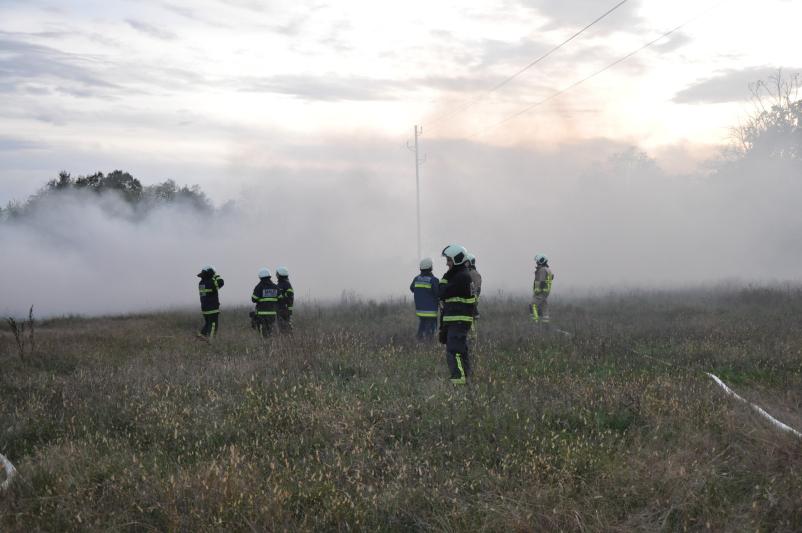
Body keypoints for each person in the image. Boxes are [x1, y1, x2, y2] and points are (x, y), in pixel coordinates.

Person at [439, 244, 475, 385]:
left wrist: (446, 277)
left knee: (454, 350)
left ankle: (458, 380)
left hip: (458, 319)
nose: (447, 263)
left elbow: (441, 292)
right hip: (456, 319)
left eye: (449, 260)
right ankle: (465, 377)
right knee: (461, 350)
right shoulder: (460, 275)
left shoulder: (461, 277)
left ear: (457, 259)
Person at [409, 258, 439, 340]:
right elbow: (438, 294)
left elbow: (412, 288)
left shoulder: (416, 279)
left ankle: (419, 342)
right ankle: (428, 346)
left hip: (420, 311)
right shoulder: (433, 280)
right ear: (431, 268)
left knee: (422, 327)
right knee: (430, 331)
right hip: (431, 312)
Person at [251, 267, 280, 338]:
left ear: (260, 277)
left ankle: (265, 344)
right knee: (271, 331)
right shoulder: (275, 287)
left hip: (261, 314)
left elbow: (254, 299)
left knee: (263, 332)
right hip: (272, 314)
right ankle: (272, 344)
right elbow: (280, 298)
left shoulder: (259, 287)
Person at [197, 265, 224, 339]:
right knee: (213, 325)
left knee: (208, 324)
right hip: (212, 309)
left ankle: (201, 337)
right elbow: (221, 282)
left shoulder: (201, 283)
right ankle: (211, 341)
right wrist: (216, 275)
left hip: (205, 309)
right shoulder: (211, 282)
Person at [532, 254, 554, 324]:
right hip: (546, 292)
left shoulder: (542, 270)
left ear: (541, 261)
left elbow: (541, 281)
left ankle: (535, 322)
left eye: (538, 261)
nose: (537, 262)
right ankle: (545, 323)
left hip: (541, 292)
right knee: (544, 306)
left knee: (533, 305)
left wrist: (537, 291)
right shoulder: (547, 269)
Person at [275, 266, 294, 334]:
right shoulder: (282, 284)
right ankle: (286, 341)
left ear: (280, 274)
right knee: (283, 327)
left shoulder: (285, 284)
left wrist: (280, 298)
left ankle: (288, 341)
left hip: (284, 309)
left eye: (277, 274)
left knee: (284, 327)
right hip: (282, 309)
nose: (276, 275)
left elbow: (289, 297)